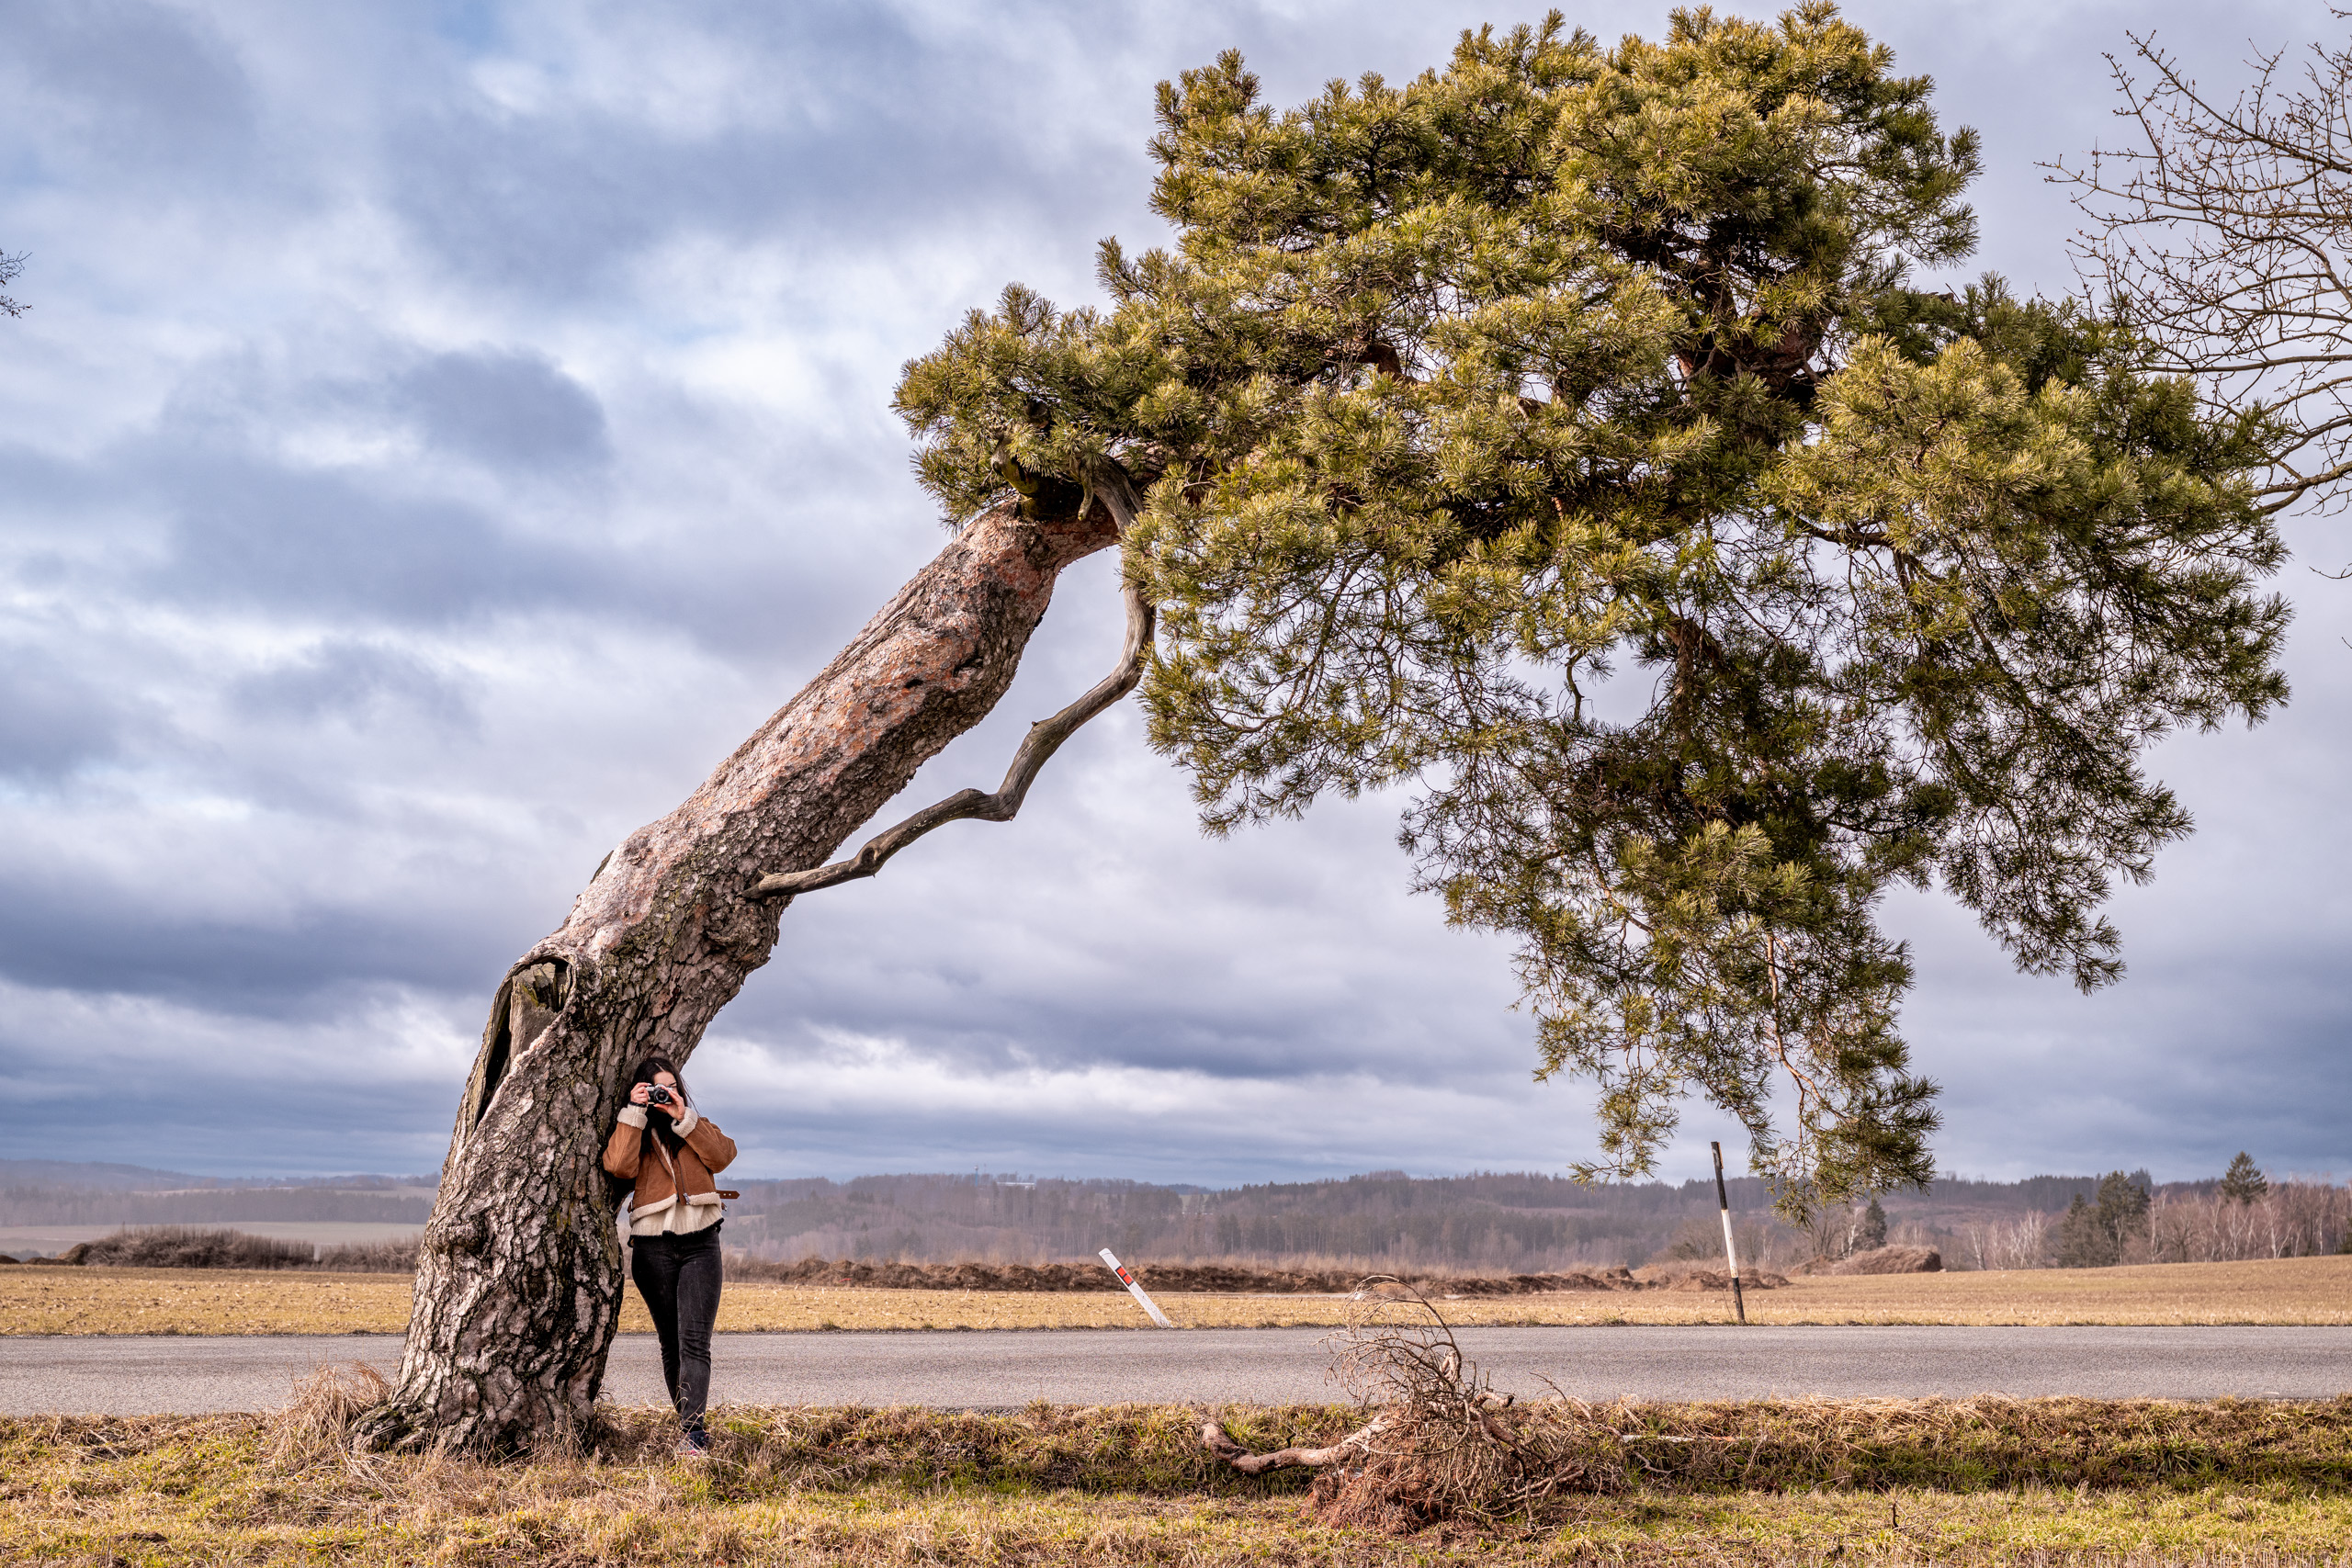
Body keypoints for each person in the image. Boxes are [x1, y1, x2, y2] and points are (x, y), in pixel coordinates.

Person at [603, 1055, 737, 1455]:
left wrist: (684, 1116)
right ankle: (687, 1426)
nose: (667, 1094)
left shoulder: (695, 1126)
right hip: (652, 1247)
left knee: (695, 1340)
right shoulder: (635, 1131)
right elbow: (619, 1167)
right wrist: (633, 1111)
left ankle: (694, 1435)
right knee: (671, 1342)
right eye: (657, 1088)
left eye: (672, 1087)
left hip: (701, 1243)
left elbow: (723, 1156)